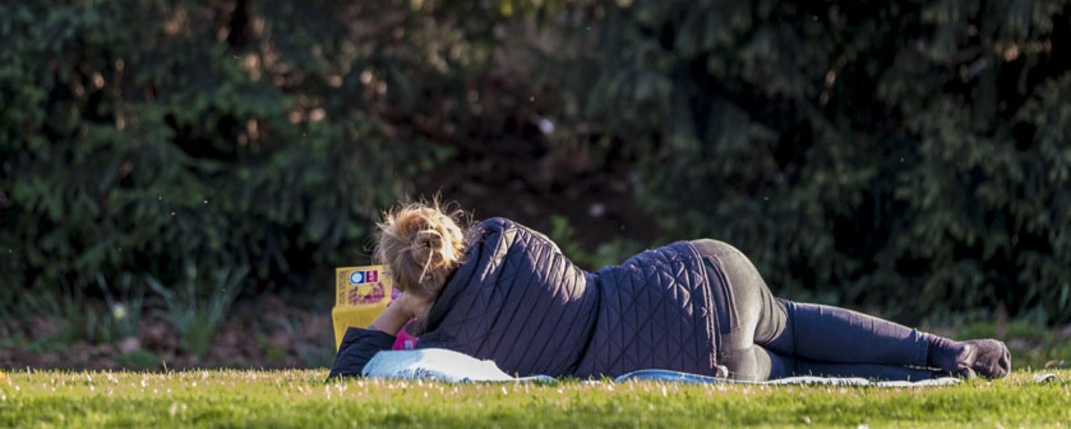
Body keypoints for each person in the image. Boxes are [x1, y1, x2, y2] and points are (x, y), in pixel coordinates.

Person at [330, 201, 1011, 381]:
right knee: (799, 324)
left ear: (413, 288)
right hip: (706, 269)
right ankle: (953, 352)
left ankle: (932, 380)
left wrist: (399, 310)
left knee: (801, 372)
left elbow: (348, 376)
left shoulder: (455, 347)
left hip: (696, 356)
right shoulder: (511, 238)